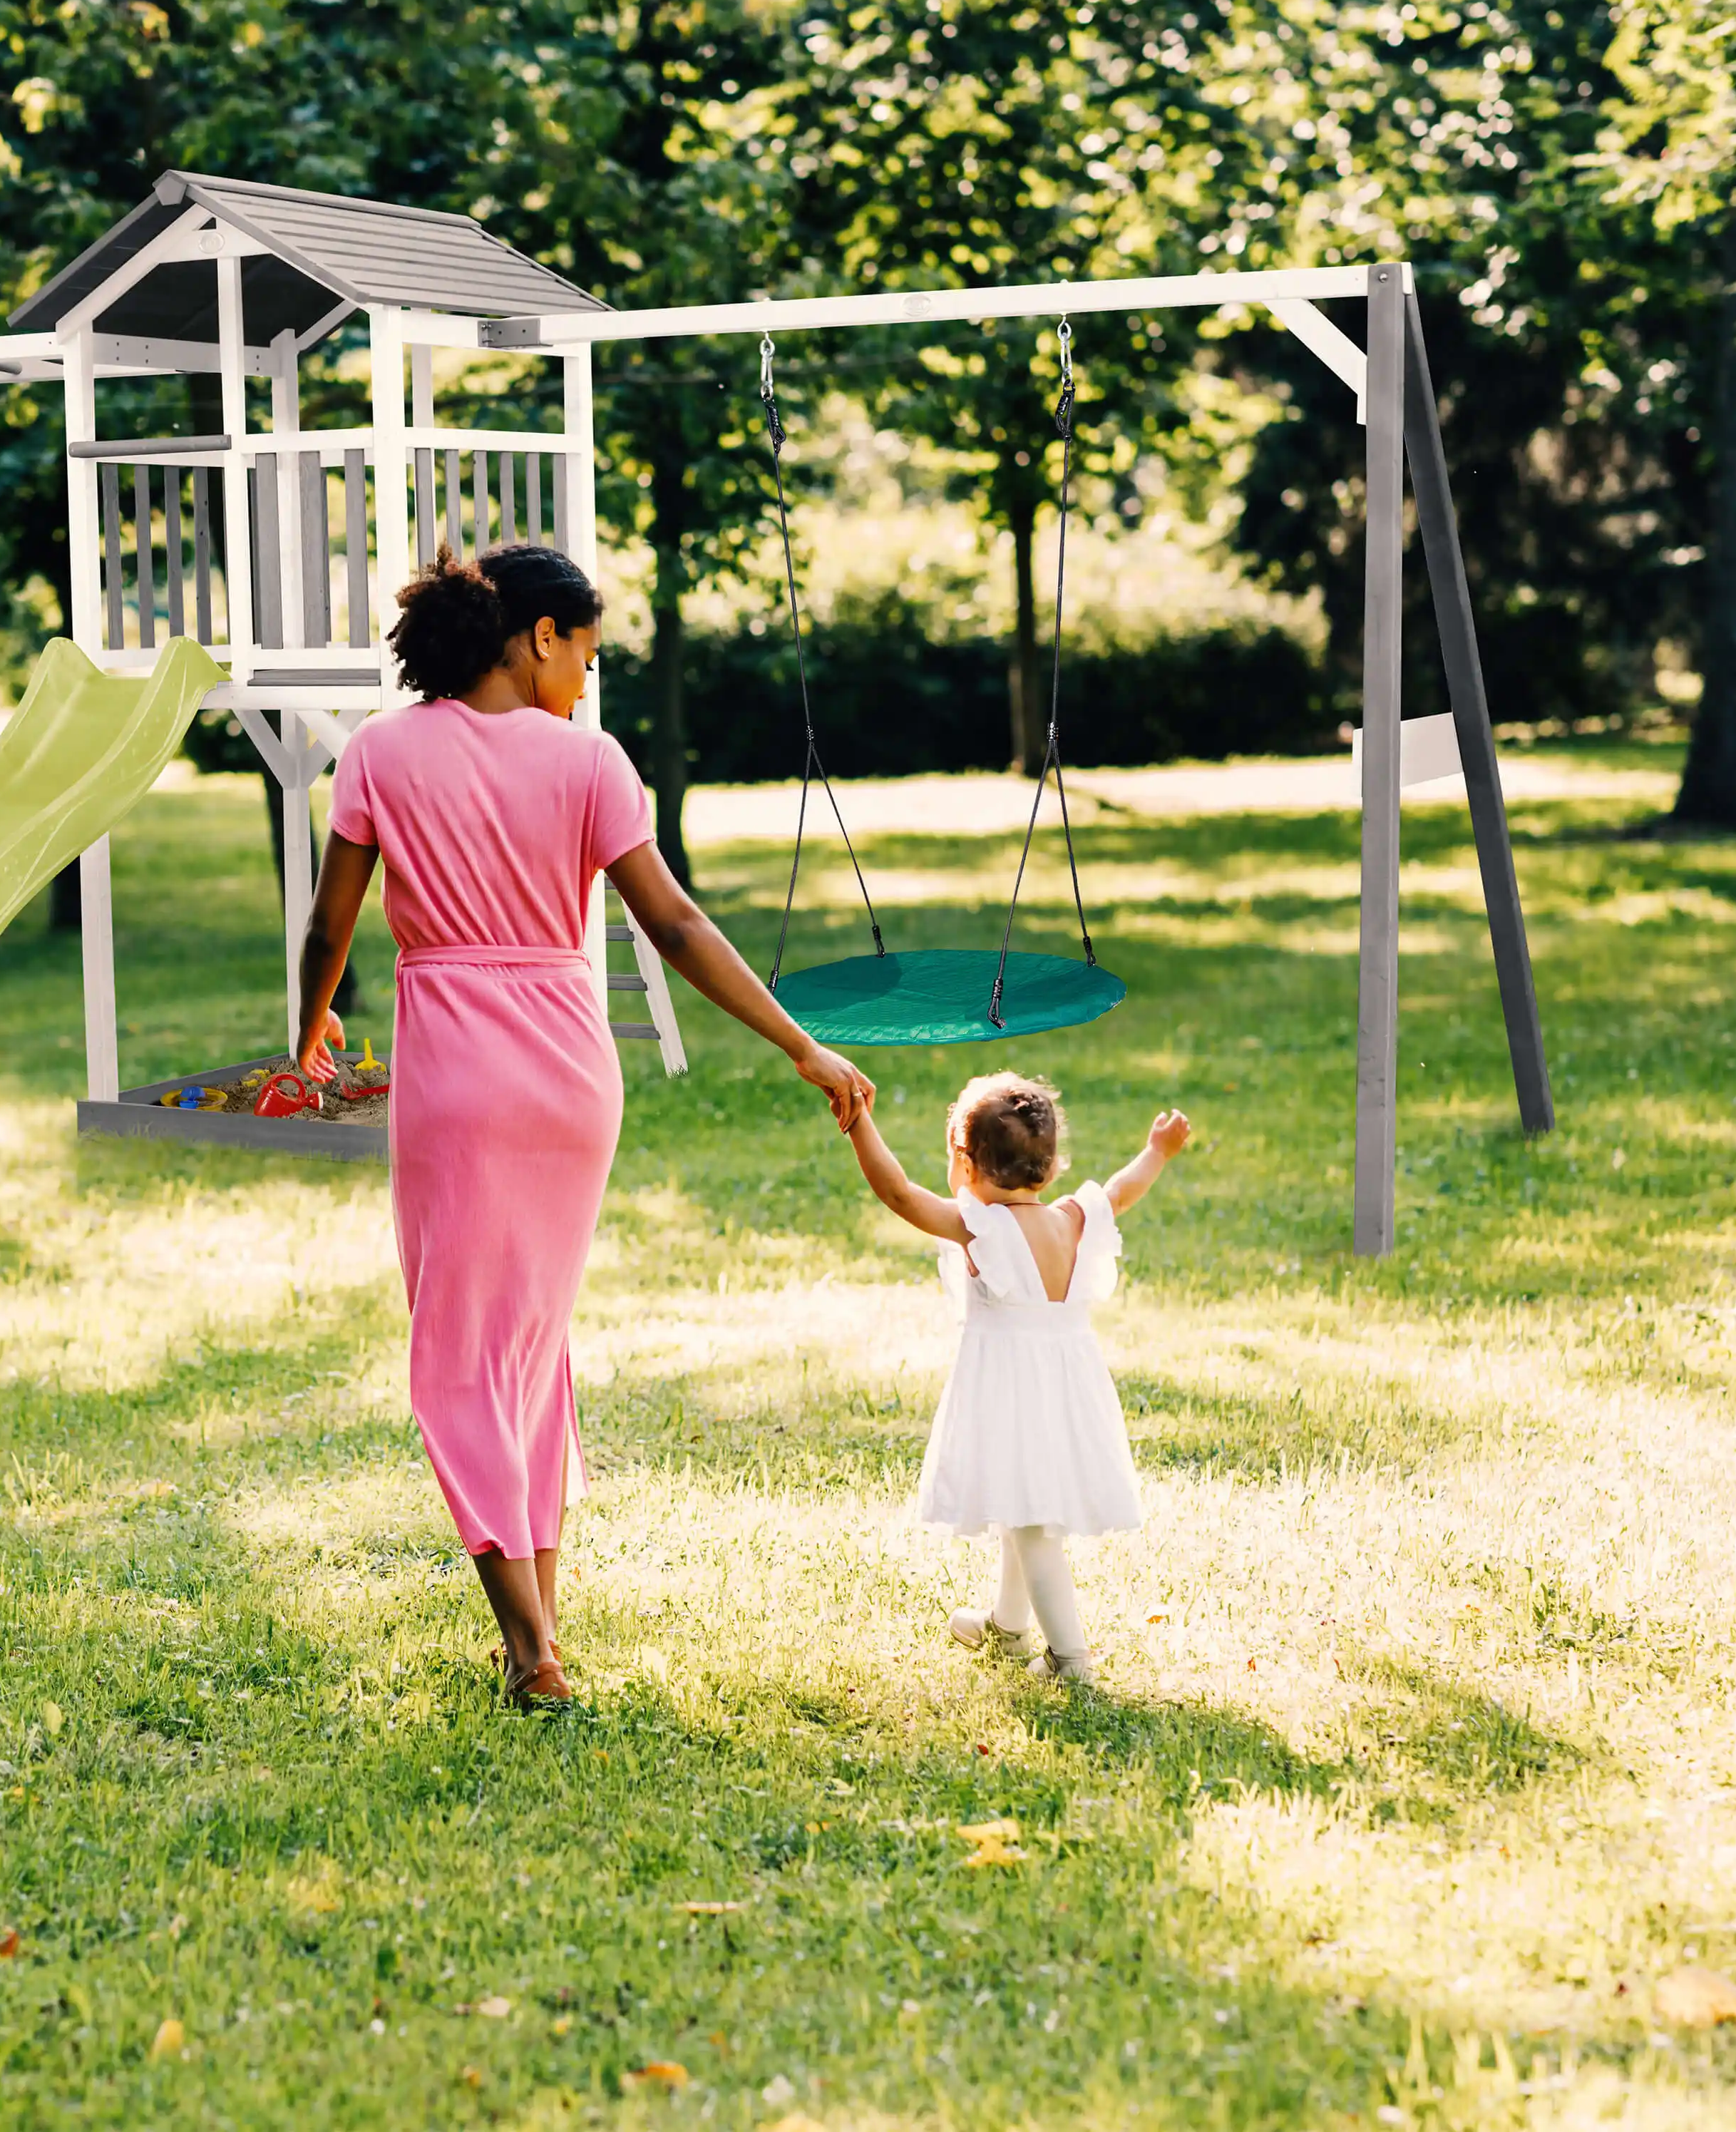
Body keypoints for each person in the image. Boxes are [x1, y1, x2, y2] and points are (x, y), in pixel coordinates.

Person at [293, 543, 875, 1709]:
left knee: (462, 1358)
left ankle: (528, 1649)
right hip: (569, 1074)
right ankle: (540, 1627)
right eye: (587, 655)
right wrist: (799, 1041)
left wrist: (306, 1033)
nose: (587, 681)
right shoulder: (591, 764)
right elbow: (675, 925)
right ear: (538, 636)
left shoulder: (380, 753)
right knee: (528, 1348)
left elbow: (331, 925)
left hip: (456, 1073)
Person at [841, 1072, 1193, 1683]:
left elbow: (898, 1193)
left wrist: (858, 1122)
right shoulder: (1074, 1218)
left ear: (966, 1164)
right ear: (1050, 1167)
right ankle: (1007, 1626)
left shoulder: (981, 1228)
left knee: (1031, 1525)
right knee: (1019, 1502)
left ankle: (1070, 1659)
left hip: (1012, 1392)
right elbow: (1122, 1189)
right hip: (1066, 1389)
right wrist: (1157, 1152)